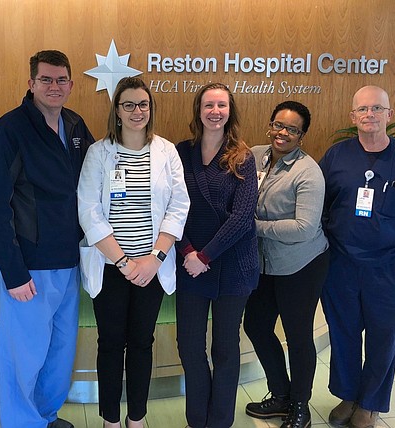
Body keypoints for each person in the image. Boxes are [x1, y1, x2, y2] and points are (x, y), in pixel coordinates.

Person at [0, 50, 94, 428]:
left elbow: (92, 187)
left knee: (59, 351)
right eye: (45, 79)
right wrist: (12, 270)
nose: (54, 86)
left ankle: (44, 415)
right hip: (27, 265)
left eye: (61, 80)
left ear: (71, 84)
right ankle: (20, 422)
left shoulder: (76, 126)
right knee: (23, 354)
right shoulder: (8, 131)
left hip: (69, 260)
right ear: (30, 84)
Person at [319, 86, 395, 428]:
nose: (369, 115)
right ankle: (348, 395)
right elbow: (319, 208)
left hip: (389, 269)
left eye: (377, 108)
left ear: (389, 114)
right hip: (341, 267)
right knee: (342, 335)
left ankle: (370, 404)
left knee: (383, 337)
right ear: (352, 117)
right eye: (363, 109)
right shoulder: (336, 156)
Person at [77, 77, 189, 428]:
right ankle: (111, 418)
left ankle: (136, 417)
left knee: (142, 342)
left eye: (143, 104)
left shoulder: (166, 151)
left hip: (151, 267)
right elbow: (87, 209)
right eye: (129, 104)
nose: (137, 111)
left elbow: (179, 205)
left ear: (150, 109)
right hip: (112, 266)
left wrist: (153, 259)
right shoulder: (99, 152)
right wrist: (123, 261)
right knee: (110, 342)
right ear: (117, 111)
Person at [174, 82, 259, 428]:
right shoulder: (180, 153)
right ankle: (198, 419)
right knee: (189, 346)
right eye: (208, 105)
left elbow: (242, 217)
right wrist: (188, 251)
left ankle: (219, 421)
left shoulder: (243, 157)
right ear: (198, 110)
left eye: (221, 105)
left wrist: (204, 256)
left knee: (225, 349)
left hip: (232, 265)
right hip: (190, 263)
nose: (215, 111)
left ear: (230, 111)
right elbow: (171, 208)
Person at [243, 101, 329, 428]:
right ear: (270, 124)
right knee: (256, 326)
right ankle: (279, 394)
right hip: (264, 263)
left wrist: (254, 226)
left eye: (292, 129)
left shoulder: (308, 172)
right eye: (278, 124)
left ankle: (300, 406)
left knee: (297, 335)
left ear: (301, 136)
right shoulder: (254, 155)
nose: (282, 133)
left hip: (301, 265)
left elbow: (304, 227)